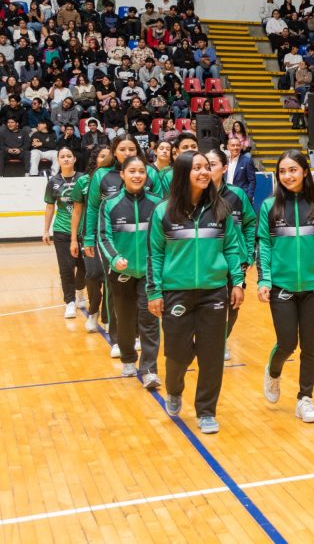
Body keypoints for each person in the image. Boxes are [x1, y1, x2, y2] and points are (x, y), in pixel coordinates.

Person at [146, 151, 245, 434]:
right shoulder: (163, 211)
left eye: (207, 167)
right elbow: (155, 255)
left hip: (214, 291)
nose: (204, 172)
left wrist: (237, 282)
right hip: (176, 292)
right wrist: (154, 292)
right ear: (183, 173)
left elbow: (232, 248)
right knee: (176, 354)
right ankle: (174, 389)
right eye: (197, 167)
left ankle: (206, 411)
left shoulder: (221, 208)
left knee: (211, 355)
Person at [257, 150, 314, 424]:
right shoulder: (269, 207)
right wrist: (264, 279)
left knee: (310, 346)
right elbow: (264, 245)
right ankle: (273, 371)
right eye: (282, 171)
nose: (287, 176)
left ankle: (305, 398)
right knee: (287, 343)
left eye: (293, 170)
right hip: (281, 286)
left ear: (305, 172)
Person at [98, 155, 163, 386]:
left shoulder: (157, 203)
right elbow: (103, 236)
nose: (137, 175)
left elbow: (163, 238)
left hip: (149, 274)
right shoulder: (109, 204)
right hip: (121, 273)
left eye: (141, 172)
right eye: (132, 171)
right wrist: (115, 258)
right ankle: (128, 358)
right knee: (124, 320)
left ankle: (149, 370)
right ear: (122, 175)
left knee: (150, 320)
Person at [205, 148, 256, 360]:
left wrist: (249, 252)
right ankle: (207, 341)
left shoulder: (237, 195)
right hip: (208, 260)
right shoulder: (196, 195)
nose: (207, 169)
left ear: (224, 168)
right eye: (204, 165)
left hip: (236, 259)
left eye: (212, 165)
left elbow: (250, 223)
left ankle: (220, 340)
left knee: (233, 304)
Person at [70, 146, 112, 333]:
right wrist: (74, 239)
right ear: (95, 159)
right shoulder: (84, 181)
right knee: (93, 274)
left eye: (109, 156)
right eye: (102, 156)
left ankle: (108, 317)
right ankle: (93, 311)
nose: (106, 159)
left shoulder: (118, 178)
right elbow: (77, 211)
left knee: (110, 278)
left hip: (111, 233)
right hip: (90, 234)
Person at [43, 147, 86, 318]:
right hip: (62, 231)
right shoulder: (53, 181)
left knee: (84, 267)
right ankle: (70, 302)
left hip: (83, 231)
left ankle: (80, 291)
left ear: (75, 159)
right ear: (58, 160)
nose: (66, 159)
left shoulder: (83, 178)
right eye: (62, 156)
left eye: (69, 156)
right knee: (66, 268)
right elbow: (50, 206)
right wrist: (45, 230)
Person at [226, 136, 257, 203]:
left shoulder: (247, 161)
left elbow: (252, 181)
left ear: (240, 147)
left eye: (238, 145)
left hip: (241, 198)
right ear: (228, 147)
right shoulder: (225, 162)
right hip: (227, 197)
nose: (235, 147)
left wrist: (249, 197)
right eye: (233, 145)